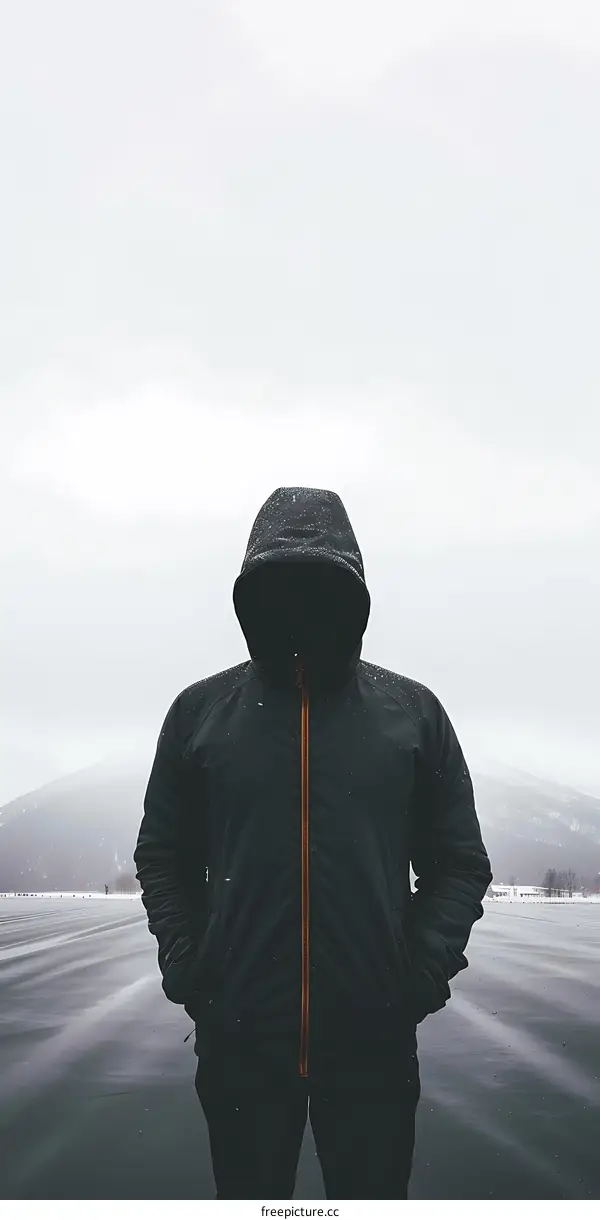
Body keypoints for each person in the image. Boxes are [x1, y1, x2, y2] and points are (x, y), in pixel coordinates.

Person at [133, 486, 493, 1200]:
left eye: (318, 583)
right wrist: (190, 966)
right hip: (238, 1047)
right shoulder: (199, 715)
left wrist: (415, 978)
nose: (298, 603)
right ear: (250, 591)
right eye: (281, 583)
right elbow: (162, 857)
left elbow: (459, 864)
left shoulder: (411, 716)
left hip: (373, 1052)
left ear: (352, 590)